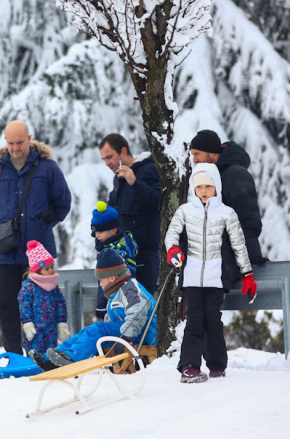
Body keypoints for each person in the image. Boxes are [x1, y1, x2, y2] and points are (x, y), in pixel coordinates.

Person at [0, 121, 71, 354]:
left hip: (39, 253)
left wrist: (45, 222)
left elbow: (63, 201)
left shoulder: (48, 168)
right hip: (5, 251)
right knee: (8, 307)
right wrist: (6, 224)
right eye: (10, 143)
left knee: (43, 306)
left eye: (20, 142)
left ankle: (42, 354)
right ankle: (13, 355)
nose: (15, 147)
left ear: (29, 138)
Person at [165, 163, 256, 383]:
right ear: (193, 189)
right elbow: (171, 236)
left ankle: (216, 365)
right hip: (193, 278)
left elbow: (239, 246)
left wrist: (247, 275)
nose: (204, 190)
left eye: (208, 185)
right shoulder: (185, 211)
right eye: (199, 187)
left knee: (213, 320)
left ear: (217, 186)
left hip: (216, 278)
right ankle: (189, 366)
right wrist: (173, 251)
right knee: (195, 320)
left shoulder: (227, 213)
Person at [30, 248, 156, 371]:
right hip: (131, 333)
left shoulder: (130, 288)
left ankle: (72, 358)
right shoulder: (117, 293)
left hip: (144, 335)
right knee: (88, 331)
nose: (100, 284)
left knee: (97, 329)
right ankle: (52, 359)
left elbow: (137, 312)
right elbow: (111, 322)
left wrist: (125, 337)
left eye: (101, 280)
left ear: (112, 278)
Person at [189, 130, 265, 264]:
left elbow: (248, 218)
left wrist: (245, 256)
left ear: (211, 152)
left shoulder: (234, 174)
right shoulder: (213, 177)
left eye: (197, 154)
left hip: (239, 255)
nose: (194, 160)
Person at [98, 133, 161, 294]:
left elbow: (157, 203)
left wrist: (135, 183)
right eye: (104, 159)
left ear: (123, 151)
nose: (107, 163)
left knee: (143, 308)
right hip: (123, 255)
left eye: (109, 157)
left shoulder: (148, 169)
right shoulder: (118, 178)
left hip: (144, 256)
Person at [18, 241, 69, 356]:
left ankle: (49, 368)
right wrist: (27, 322)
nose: (51, 270)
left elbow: (61, 303)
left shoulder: (53, 286)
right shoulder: (29, 287)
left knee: (51, 353)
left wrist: (61, 322)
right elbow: (24, 304)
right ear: (37, 270)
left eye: (52, 267)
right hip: (35, 329)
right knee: (35, 353)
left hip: (51, 328)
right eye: (46, 269)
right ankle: (35, 369)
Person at [90, 201, 138, 319]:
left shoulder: (117, 251)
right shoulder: (108, 247)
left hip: (121, 303)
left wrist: (102, 306)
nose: (96, 235)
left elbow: (116, 280)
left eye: (100, 231)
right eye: (95, 232)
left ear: (113, 230)